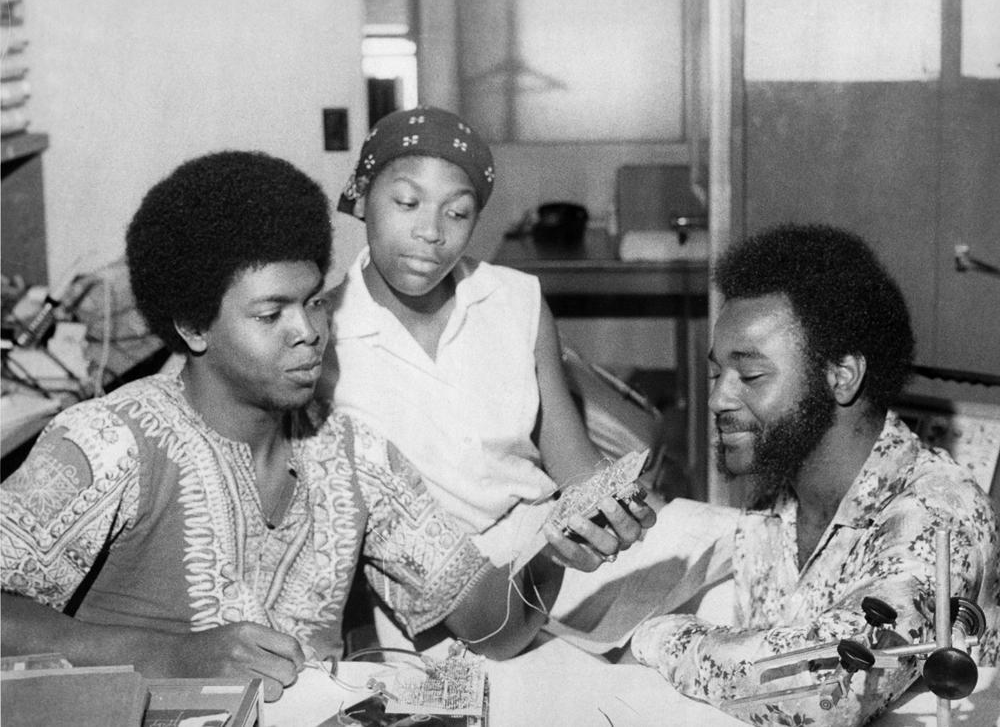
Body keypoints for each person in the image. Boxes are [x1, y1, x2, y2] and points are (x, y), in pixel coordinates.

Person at [1, 151, 372, 702]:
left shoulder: (348, 449)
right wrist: (170, 655)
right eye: (271, 314)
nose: (309, 331)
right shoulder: (105, 444)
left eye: (315, 302)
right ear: (195, 326)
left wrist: (549, 532)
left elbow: (494, 617)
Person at [626, 223, 999, 725]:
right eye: (718, 373)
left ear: (841, 375)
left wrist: (657, 636)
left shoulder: (941, 514)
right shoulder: (774, 502)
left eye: (751, 376)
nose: (718, 399)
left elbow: (824, 688)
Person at [325, 106, 656, 656]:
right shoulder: (323, 337)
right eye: (406, 203)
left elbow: (573, 463)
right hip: (435, 600)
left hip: (548, 547)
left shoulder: (513, 298)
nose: (430, 232)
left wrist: (616, 509)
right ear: (362, 197)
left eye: (457, 213)